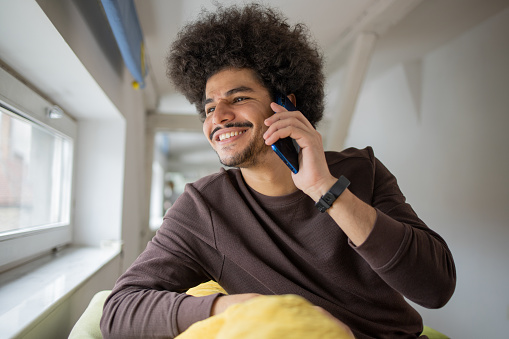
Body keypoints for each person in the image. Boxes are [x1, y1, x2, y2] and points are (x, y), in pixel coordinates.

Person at [100, 4, 456, 339]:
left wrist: (324, 188)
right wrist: (235, 306)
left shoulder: (361, 170)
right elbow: (118, 310)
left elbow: (436, 287)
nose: (218, 117)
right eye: (209, 108)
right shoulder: (202, 207)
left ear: (286, 105)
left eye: (238, 98)